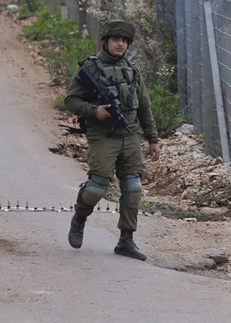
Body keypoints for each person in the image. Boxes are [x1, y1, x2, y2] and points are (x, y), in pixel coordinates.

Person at [65, 20, 161, 261]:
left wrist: (153, 139)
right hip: (103, 136)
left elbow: (145, 108)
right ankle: (79, 218)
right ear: (106, 41)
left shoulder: (132, 71)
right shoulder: (90, 69)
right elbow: (71, 100)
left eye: (125, 41)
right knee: (96, 189)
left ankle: (126, 241)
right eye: (116, 39)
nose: (121, 44)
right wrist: (93, 110)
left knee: (133, 188)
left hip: (129, 136)